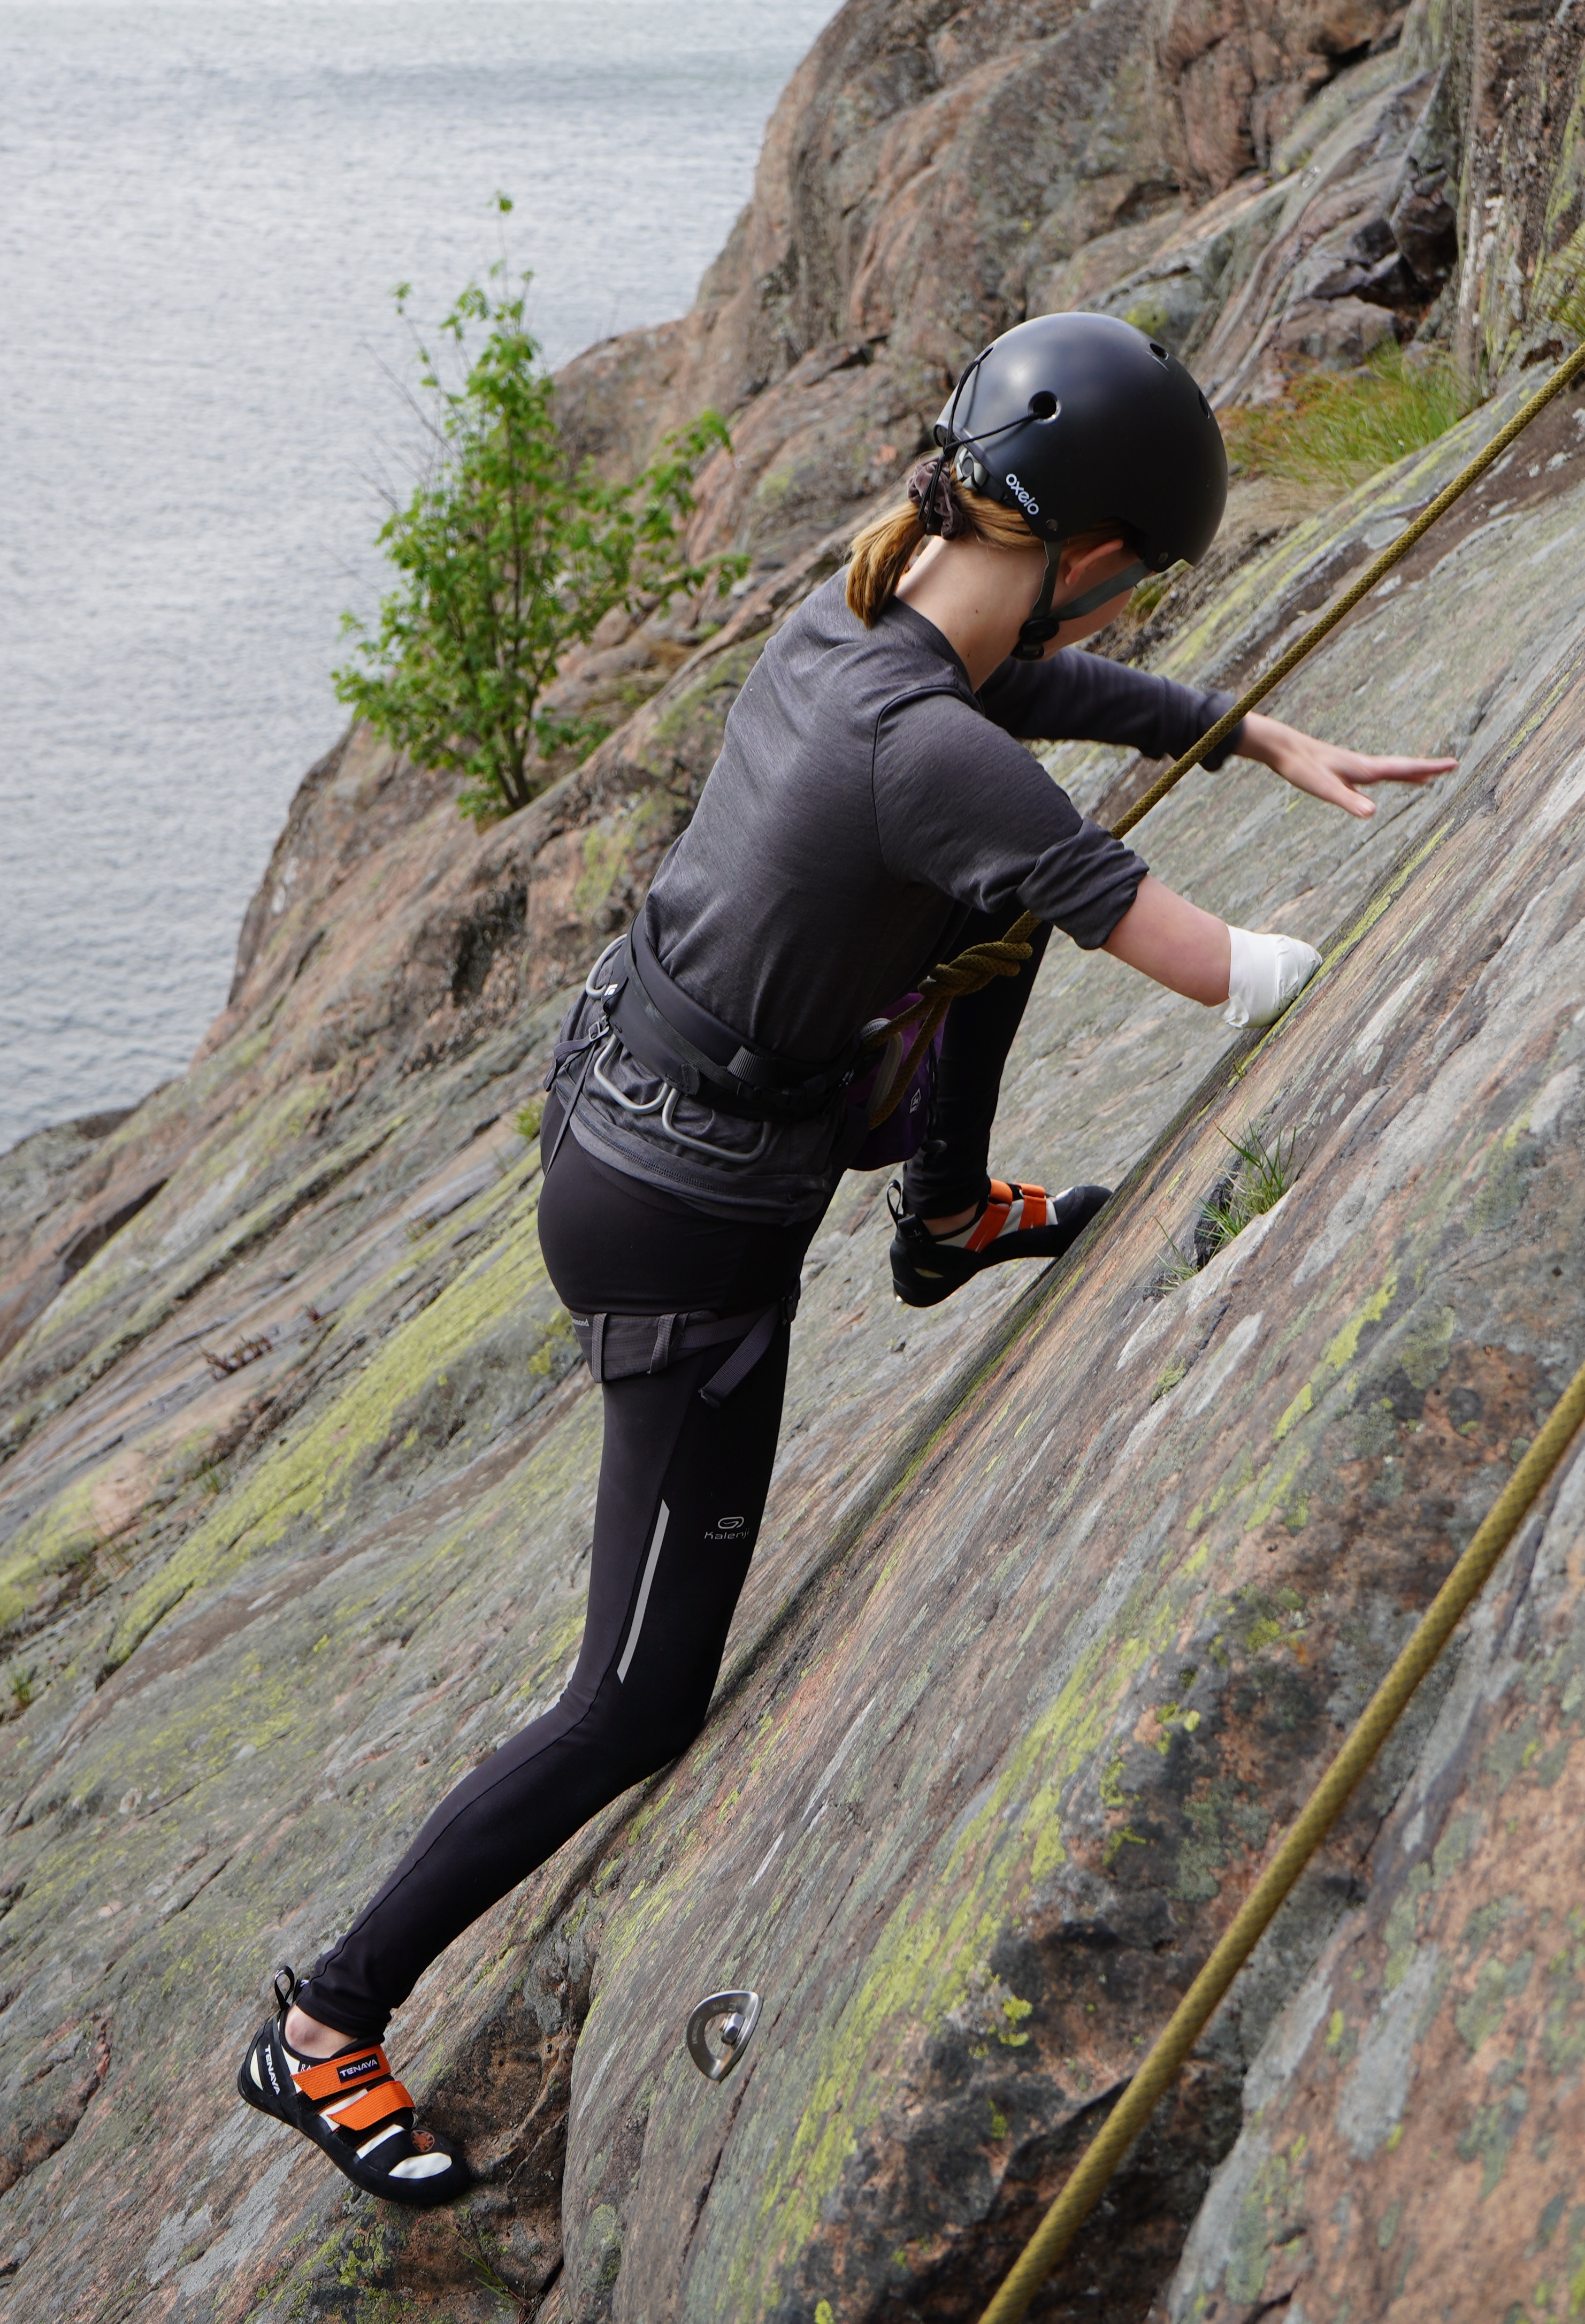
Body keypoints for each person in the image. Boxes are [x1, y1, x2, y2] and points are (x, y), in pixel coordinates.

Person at [236, 314, 1454, 2200]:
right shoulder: (925, 747)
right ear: (1102, 556)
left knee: (1002, 899)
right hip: (683, 1234)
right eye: (1134, 589)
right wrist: (1428, 964)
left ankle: (947, 1213)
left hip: (653, 1097)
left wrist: (1248, 727)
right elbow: (1220, 968)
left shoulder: (864, 617)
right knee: (634, 1705)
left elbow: (1018, 720)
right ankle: (324, 2021)